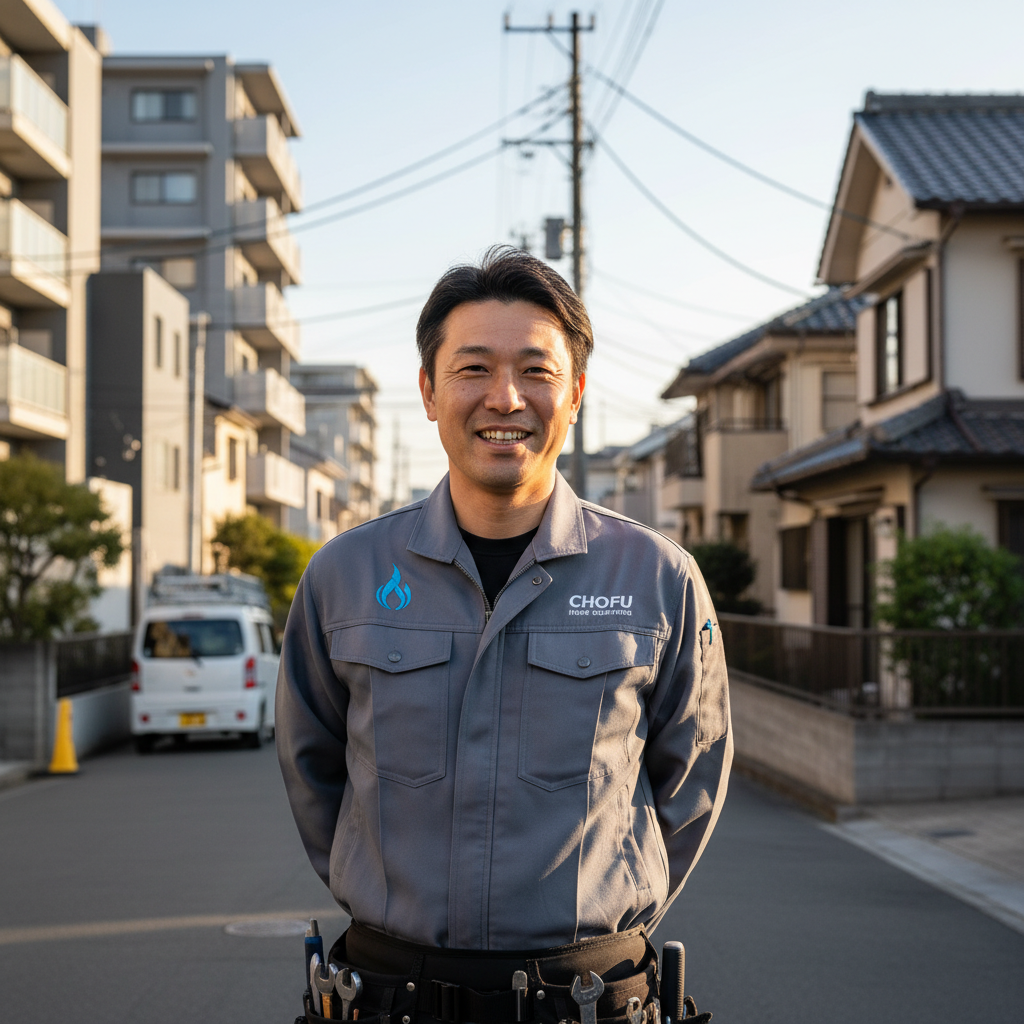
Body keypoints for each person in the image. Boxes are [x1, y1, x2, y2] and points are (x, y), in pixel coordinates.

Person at [276, 246, 731, 1024]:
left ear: (577, 392)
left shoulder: (658, 577)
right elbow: (312, 769)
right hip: (389, 995)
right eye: (474, 369)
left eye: (536, 371)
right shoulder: (343, 575)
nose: (505, 398)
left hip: (590, 999)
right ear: (428, 390)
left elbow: (693, 778)